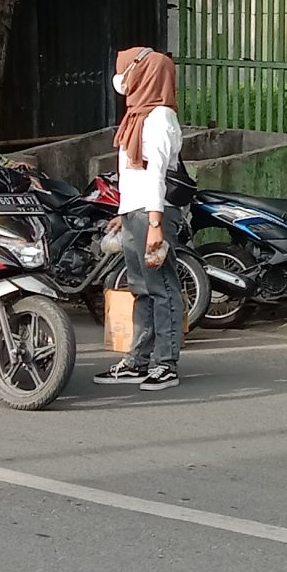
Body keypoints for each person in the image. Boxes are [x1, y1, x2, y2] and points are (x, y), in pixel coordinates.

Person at [94, 46, 185, 390]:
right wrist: (123, 212)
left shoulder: (160, 117)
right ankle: (138, 359)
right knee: (141, 290)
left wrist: (156, 224)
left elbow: (157, 172)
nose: (120, 79)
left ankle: (166, 363)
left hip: (154, 213)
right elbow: (133, 174)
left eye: (126, 71)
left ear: (145, 74)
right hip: (136, 213)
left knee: (162, 289)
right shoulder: (136, 115)